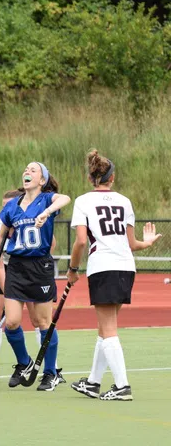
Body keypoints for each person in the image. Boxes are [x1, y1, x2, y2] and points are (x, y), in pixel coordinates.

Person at [68, 150, 161, 401]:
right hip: (125, 267)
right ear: (113, 177)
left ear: (91, 178)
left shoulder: (83, 201)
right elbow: (131, 243)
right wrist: (148, 242)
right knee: (104, 327)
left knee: (108, 328)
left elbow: (79, 242)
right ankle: (93, 382)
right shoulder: (124, 201)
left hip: (103, 267)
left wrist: (72, 269)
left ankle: (122, 386)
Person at [0, 162, 70, 391]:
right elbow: (1, 236)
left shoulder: (47, 199)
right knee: (12, 322)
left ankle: (50, 373)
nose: (27, 171)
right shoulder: (13, 205)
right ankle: (24, 362)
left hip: (39, 267)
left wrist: (47, 212)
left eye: (34, 170)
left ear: (42, 180)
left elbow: (66, 199)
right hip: (16, 267)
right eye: (25, 169)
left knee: (43, 322)